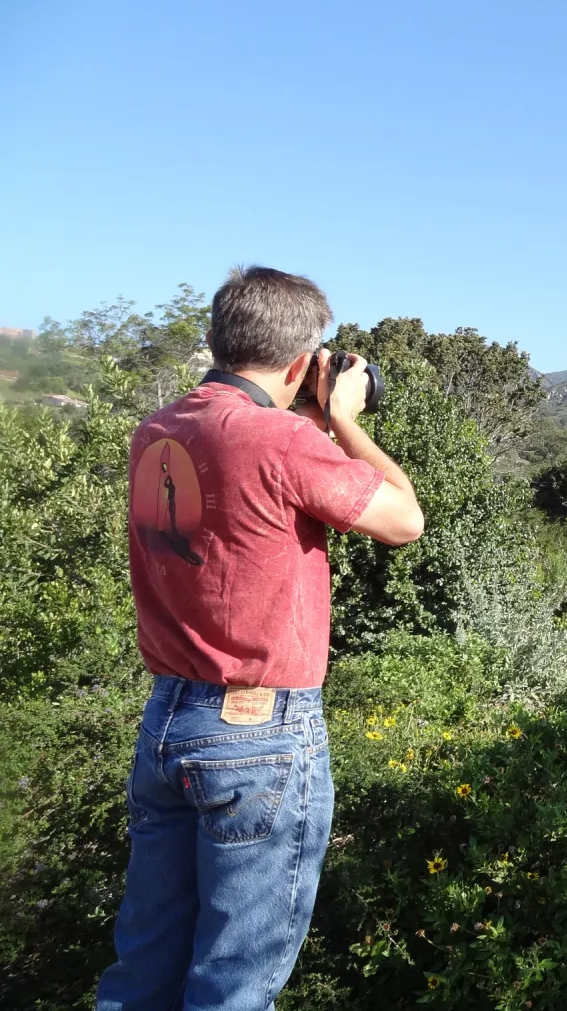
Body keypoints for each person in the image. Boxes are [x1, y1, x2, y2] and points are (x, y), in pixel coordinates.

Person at [97, 266, 424, 1010]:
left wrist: (302, 416)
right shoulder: (280, 442)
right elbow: (406, 521)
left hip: (169, 720)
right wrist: (344, 419)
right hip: (259, 732)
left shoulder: (158, 430)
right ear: (304, 363)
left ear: (216, 339)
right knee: (234, 984)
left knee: (144, 966)